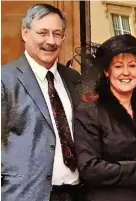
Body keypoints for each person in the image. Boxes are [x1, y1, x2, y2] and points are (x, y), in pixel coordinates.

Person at [1, 4, 82, 201]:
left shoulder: (73, 78)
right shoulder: (5, 79)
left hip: (75, 193)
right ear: (25, 33)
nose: (50, 41)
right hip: (26, 194)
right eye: (43, 33)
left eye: (57, 34)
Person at [74, 34, 136, 201]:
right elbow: (89, 168)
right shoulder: (89, 113)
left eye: (132, 65)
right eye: (118, 66)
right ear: (107, 72)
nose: (126, 72)